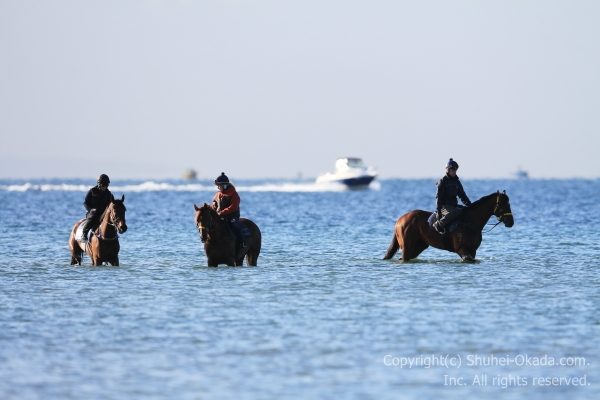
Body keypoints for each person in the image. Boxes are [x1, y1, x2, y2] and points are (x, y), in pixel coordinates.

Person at [211, 172, 249, 256]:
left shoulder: (234, 194)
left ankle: (242, 243)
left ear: (225, 185)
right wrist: (214, 205)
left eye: (219, 185)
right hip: (220, 216)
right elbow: (214, 203)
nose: (218, 187)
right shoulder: (218, 194)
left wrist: (221, 212)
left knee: (235, 227)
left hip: (232, 216)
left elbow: (233, 207)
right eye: (217, 185)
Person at [433, 158, 472, 234]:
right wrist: (439, 211)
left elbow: (462, 196)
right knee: (457, 211)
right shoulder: (442, 181)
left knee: (464, 210)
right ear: (448, 170)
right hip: (443, 207)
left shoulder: (457, 182)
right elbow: (439, 198)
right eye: (452, 170)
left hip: (453, 206)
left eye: (455, 170)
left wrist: (470, 206)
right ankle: (439, 224)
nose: (454, 172)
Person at [80, 174, 114, 241]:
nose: (105, 187)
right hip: (92, 213)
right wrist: (90, 210)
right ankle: (84, 233)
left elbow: (112, 204)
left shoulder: (109, 194)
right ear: (99, 183)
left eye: (106, 185)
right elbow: (85, 203)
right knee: (93, 217)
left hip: (104, 213)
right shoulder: (92, 191)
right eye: (103, 184)